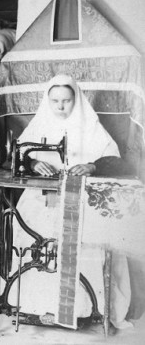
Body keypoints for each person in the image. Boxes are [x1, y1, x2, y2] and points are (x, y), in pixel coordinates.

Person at [13, 74, 134, 328]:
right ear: (47, 101)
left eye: (66, 101)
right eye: (55, 101)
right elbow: (17, 156)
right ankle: (38, 307)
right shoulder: (39, 124)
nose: (60, 107)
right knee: (31, 227)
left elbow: (116, 161)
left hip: (81, 197)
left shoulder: (90, 126)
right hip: (42, 197)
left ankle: (83, 308)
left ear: (76, 99)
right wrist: (33, 163)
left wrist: (92, 166)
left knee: (86, 234)